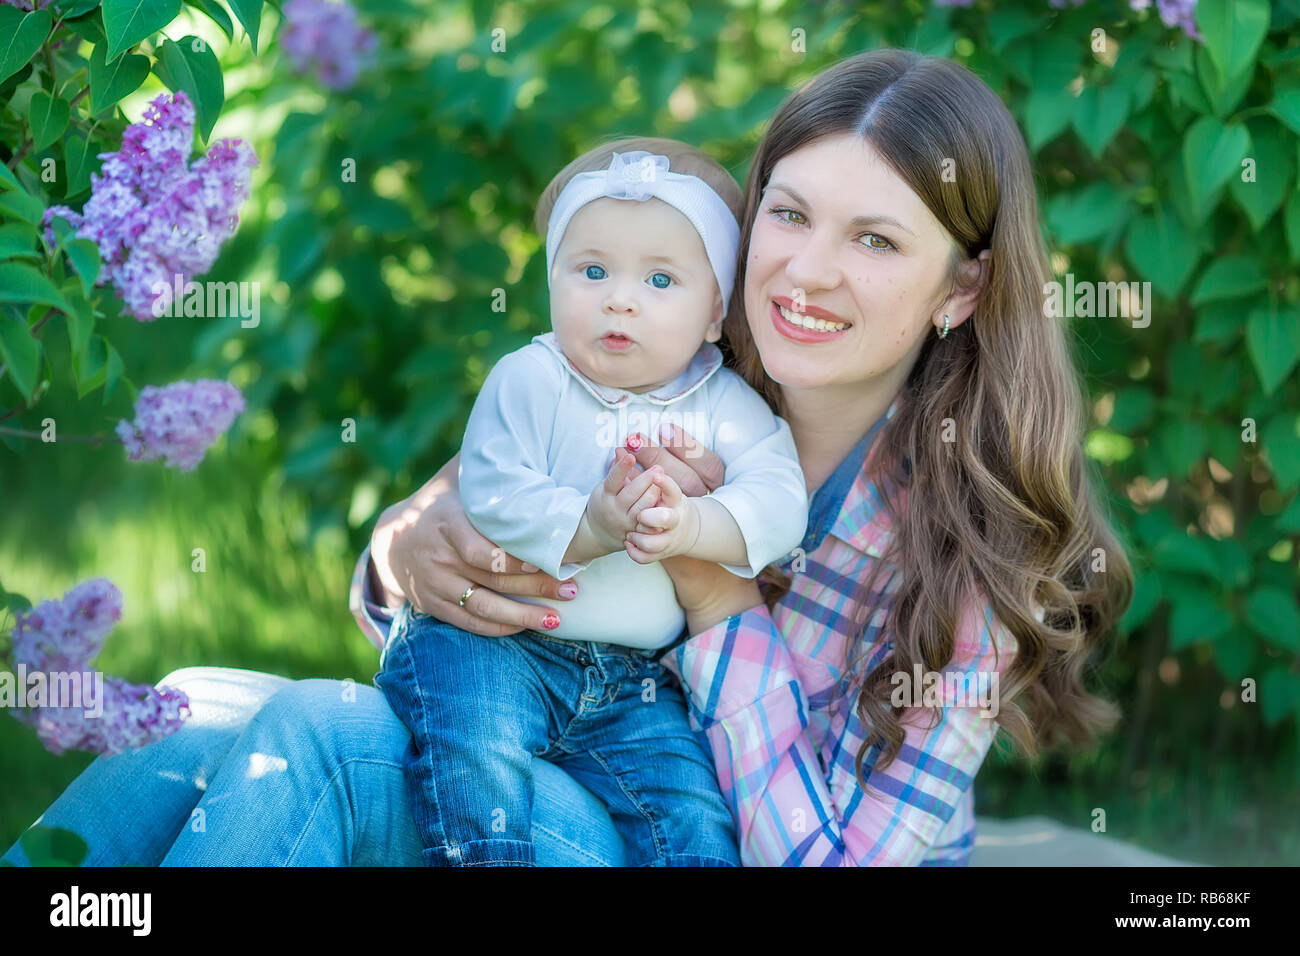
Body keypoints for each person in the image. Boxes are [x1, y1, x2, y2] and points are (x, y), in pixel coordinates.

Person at [2, 47, 1131, 868]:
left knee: (320, 738)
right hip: (552, 766)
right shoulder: (658, 363)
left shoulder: (975, 553)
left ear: (963, 288)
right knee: (192, 708)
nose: (805, 273)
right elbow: (459, 545)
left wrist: (708, 578)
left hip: (682, 837)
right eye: (789, 215)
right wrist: (407, 548)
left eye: (875, 239)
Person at [375, 138, 807, 866]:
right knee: (476, 771)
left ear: (714, 314)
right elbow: (494, 486)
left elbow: (779, 499)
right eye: (593, 270)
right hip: (498, 648)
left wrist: (695, 524)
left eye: (661, 279)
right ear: (553, 282)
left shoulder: (722, 405)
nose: (620, 296)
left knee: (692, 820)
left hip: (634, 683)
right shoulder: (532, 379)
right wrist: (593, 525)